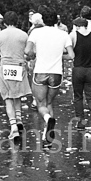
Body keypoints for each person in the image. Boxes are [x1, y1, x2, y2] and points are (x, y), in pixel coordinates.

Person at [27, 8, 74, 144]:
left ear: (43, 20)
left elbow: (28, 50)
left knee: (41, 104)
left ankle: (48, 120)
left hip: (40, 72)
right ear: (57, 21)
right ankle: (46, 137)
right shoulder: (64, 34)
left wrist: (34, 55)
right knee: (49, 103)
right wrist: (59, 56)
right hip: (56, 74)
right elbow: (71, 55)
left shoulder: (36, 32)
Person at [0, 11, 31, 140]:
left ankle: (13, 127)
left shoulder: (0, 35)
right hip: (19, 66)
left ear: (5, 22)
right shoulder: (24, 35)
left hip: (5, 66)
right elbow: (30, 53)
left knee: (8, 97)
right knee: (18, 94)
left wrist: (1, 54)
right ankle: (19, 119)